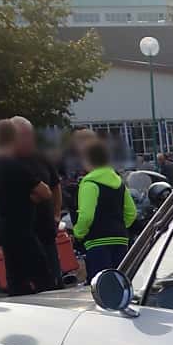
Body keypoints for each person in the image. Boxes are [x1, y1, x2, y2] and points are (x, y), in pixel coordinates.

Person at [0, 118, 54, 295]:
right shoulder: (14, 165)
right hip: (24, 230)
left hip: (4, 228)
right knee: (45, 281)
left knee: (16, 280)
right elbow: (45, 192)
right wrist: (28, 198)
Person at [10, 117, 64, 286]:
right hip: (21, 235)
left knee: (53, 284)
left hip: (46, 231)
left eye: (30, 134)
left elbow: (55, 187)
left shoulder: (41, 158)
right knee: (27, 286)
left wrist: (56, 214)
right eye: (23, 135)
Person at [72, 141, 136, 280]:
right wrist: (118, 226)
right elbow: (131, 212)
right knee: (121, 282)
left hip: (97, 241)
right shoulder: (119, 182)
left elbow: (86, 216)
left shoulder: (89, 183)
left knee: (101, 286)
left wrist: (78, 233)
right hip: (120, 239)